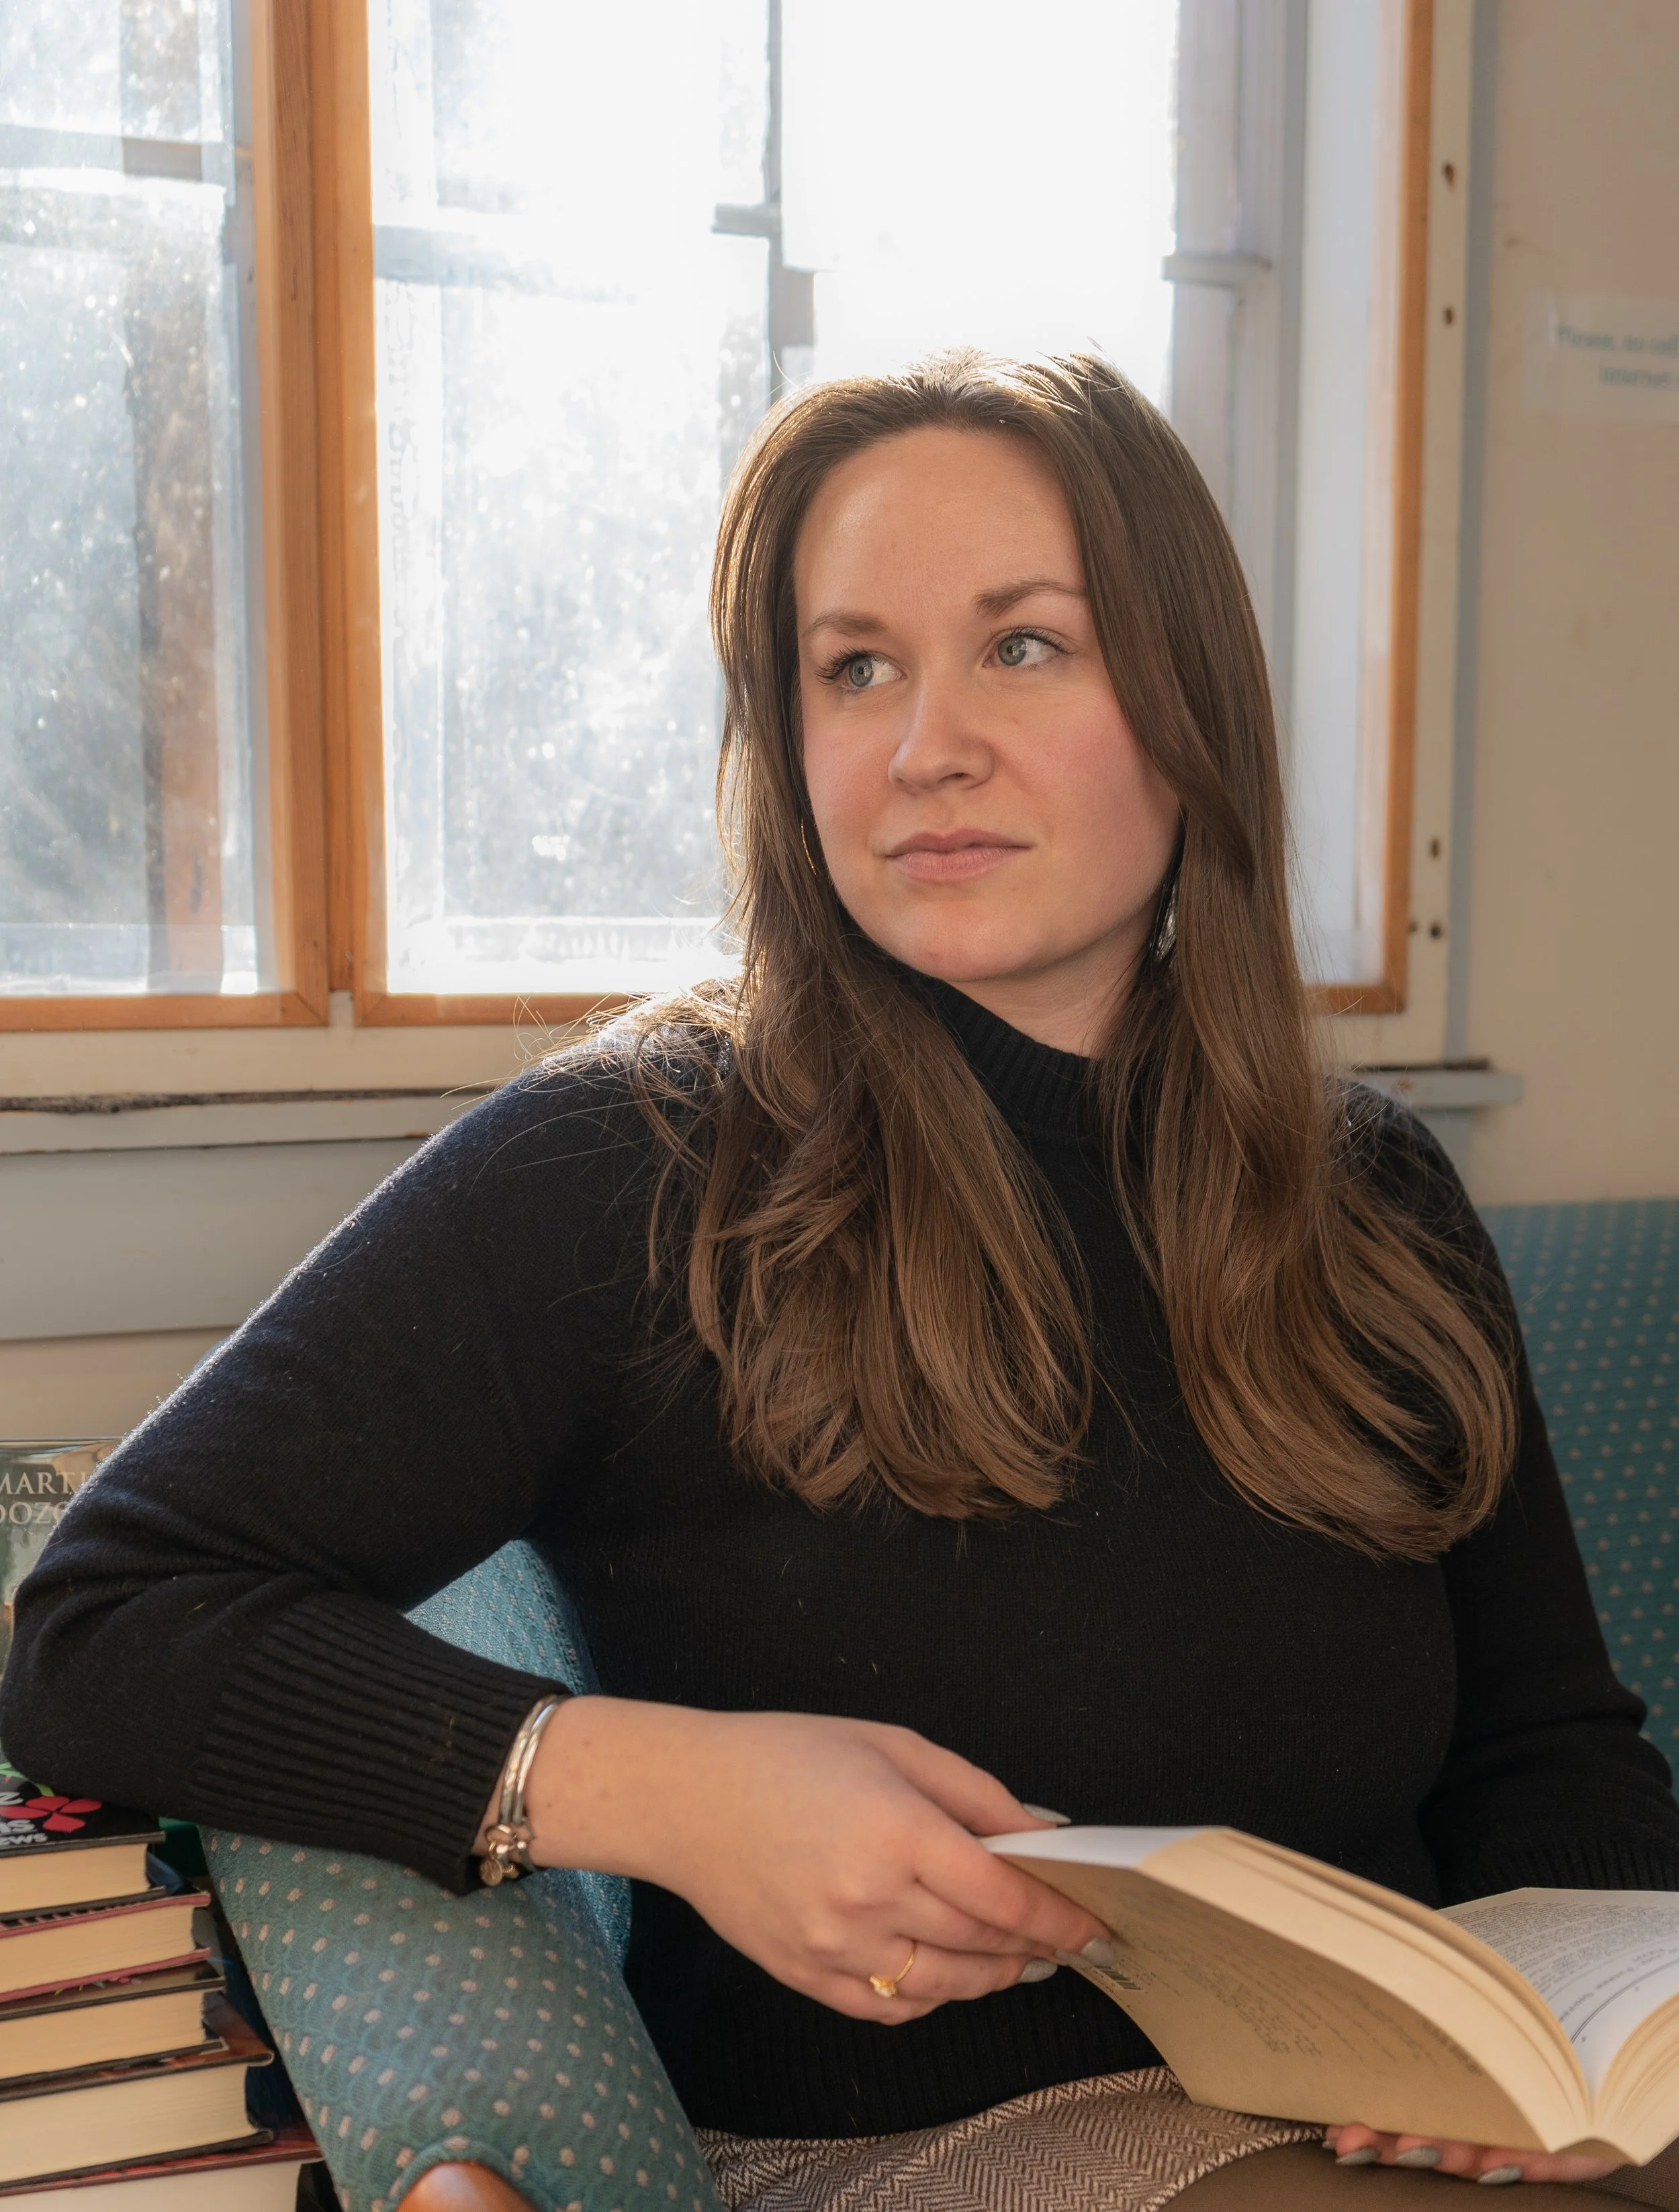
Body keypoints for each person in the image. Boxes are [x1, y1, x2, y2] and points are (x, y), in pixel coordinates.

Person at [7, 352, 1679, 2211]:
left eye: (1022, 646)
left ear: (1191, 701)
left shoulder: (1373, 1188)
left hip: (1396, 2132)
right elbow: (97, 1630)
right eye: (852, 666)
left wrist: (1572, 2053)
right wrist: (661, 1791)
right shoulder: (631, 1160)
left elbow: (1548, 1750)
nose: (923, 742)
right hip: (894, 2150)